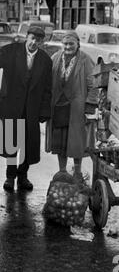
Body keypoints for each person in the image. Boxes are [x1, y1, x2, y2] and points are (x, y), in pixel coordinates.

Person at [0, 26, 53, 191]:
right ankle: (9, 177)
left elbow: (47, 89)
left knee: (27, 145)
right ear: (26, 38)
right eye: (31, 38)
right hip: (10, 106)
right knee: (10, 142)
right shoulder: (12, 51)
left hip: (31, 108)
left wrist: (44, 111)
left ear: (41, 42)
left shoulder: (45, 60)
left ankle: (23, 176)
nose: (34, 42)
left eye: (38, 40)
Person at [45, 31, 98, 180]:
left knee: (76, 142)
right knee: (60, 142)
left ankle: (78, 172)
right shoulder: (55, 58)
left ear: (77, 44)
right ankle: (62, 171)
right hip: (58, 106)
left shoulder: (85, 60)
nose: (68, 47)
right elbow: (47, 81)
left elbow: (93, 84)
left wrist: (90, 104)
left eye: (71, 44)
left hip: (76, 107)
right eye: (65, 44)